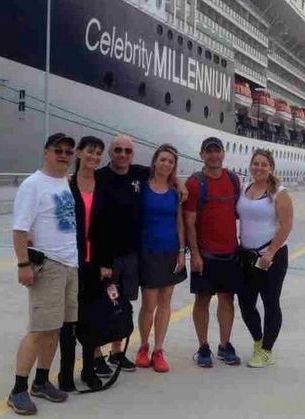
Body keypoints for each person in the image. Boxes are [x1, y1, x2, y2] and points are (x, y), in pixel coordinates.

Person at [8, 133, 78, 415]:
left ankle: (41, 381)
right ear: (46, 153)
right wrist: (23, 265)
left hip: (70, 265)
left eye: (68, 151)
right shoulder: (33, 185)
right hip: (48, 264)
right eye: (58, 150)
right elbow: (19, 229)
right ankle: (18, 390)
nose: (63, 155)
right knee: (38, 330)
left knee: (55, 329)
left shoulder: (64, 182)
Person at [88, 135, 151, 374]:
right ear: (110, 154)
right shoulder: (99, 177)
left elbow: (165, 170)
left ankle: (116, 352)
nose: (122, 155)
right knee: (101, 304)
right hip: (107, 257)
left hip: (131, 256)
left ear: (132, 155)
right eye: (118, 150)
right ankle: (95, 355)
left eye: (127, 151)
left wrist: (180, 182)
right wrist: (101, 260)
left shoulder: (138, 173)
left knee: (123, 306)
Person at [184, 136, 243, 368]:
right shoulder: (194, 183)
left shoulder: (233, 179)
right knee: (202, 300)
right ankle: (203, 346)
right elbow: (189, 223)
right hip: (205, 254)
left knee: (228, 300)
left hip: (230, 252)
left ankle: (224, 344)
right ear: (202, 155)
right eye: (209, 151)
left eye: (217, 151)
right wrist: (195, 255)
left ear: (223, 154)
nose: (213, 155)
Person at [236, 149, 294, 368]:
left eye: (264, 164)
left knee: (270, 303)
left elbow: (286, 225)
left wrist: (270, 252)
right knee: (246, 303)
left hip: (272, 257)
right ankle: (258, 342)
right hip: (246, 256)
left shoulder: (279, 193)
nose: (259, 168)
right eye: (255, 163)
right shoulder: (244, 189)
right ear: (250, 165)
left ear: (271, 168)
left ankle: (267, 350)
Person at [58, 136, 105, 392]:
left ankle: (89, 371)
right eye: (90, 152)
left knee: (91, 318)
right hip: (70, 262)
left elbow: (108, 228)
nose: (94, 157)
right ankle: (66, 373)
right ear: (79, 153)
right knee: (68, 321)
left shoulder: (103, 186)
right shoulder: (67, 185)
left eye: (99, 153)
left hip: (95, 263)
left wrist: (106, 262)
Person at [135, 144, 187, 373]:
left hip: (170, 251)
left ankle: (159, 349)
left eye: (171, 162)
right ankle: (143, 345)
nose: (166, 164)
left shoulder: (175, 192)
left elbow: (179, 223)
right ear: (155, 161)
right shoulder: (141, 187)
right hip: (147, 251)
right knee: (148, 304)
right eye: (163, 159)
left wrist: (182, 252)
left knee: (165, 303)